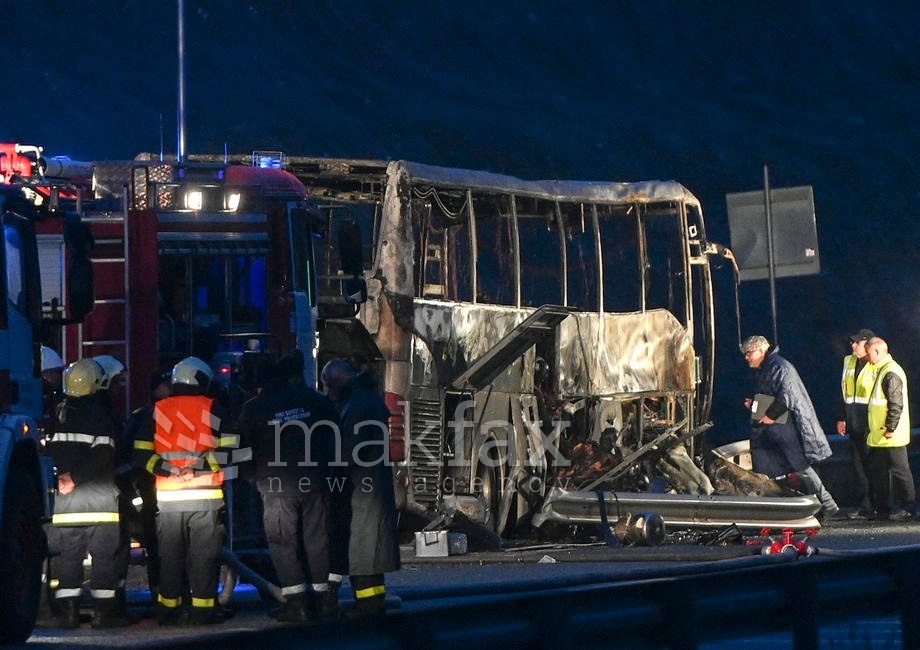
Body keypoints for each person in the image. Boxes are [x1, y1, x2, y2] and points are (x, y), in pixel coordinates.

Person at [237, 350, 339, 623]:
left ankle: (297, 604)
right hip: (315, 483)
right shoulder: (313, 401)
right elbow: (334, 434)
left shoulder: (253, 409)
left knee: (283, 543)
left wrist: (251, 477)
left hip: (275, 486)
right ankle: (324, 600)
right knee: (317, 541)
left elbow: (241, 450)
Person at [134, 356, 235, 626]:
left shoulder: (156, 411)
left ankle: (168, 611)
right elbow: (230, 451)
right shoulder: (214, 407)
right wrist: (197, 470)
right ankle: (203, 611)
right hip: (206, 498)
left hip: (168, 499)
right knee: (204, 557)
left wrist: (167, 470)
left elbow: (141, 454)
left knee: (169, 558)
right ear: (201, 379)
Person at [45, 358, 131, 629]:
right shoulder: (101, 412)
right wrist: (77, 477)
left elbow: (52, 452)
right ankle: (104, 616)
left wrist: (65, 478)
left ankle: (69, 614)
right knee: (105, 558)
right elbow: (105, 453)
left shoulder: (59, 411)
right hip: (100, 501)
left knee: (68, 559)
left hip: (67, 503)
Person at [320, 359, 400, 620]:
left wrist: (326, 470)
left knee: (365, 552)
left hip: (365, 491)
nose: (328, 393)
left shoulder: (358, 407)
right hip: (368, 488)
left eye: (329, 387)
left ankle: (369, 607)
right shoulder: (364, 400)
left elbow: (348, 452)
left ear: (339, 383)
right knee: (366, 552)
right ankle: (369, 602)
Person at [741, 335, 840, 518]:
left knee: (799, 466)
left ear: (761, 351)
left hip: (783, 428)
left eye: (749, 353)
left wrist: (772, 415)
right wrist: (755, 404)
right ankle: (780, 508)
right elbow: (771, 395)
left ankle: (827, 504)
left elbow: (787, 394)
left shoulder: (779, 366)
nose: (746, 357)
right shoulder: (768, 367)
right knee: (773, 469)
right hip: (771, 428)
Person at [118, 368, 172, 600]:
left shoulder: (147, 416)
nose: (171, 387)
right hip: (149, 490)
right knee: (157, 545)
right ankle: (162, 592)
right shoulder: (143, 418)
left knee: (168, 546)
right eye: (166, 384)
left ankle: (166, 593)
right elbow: (130, 458)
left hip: (163, 490)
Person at [864, 337, 916, 521]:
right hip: (880, 434)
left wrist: (890, 427)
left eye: (869, 352)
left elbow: (896, 403)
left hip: (890, 434)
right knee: (878, 472)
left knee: (900, 471)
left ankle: (908, 507)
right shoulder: (881, 370)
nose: (867, 357)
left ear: (877, 351)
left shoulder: (891, 372)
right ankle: (882, 508)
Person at [835, 329, 876, 519]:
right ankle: (866, 506)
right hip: (854, 423)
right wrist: (842, 417)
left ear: (868, 345)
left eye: (857, 343)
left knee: (875, 467)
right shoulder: (849, 361)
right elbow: (844, 392)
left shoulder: (877, 364)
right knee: (859, 467)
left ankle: (878, 505)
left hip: (872, 424)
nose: (853, 345)